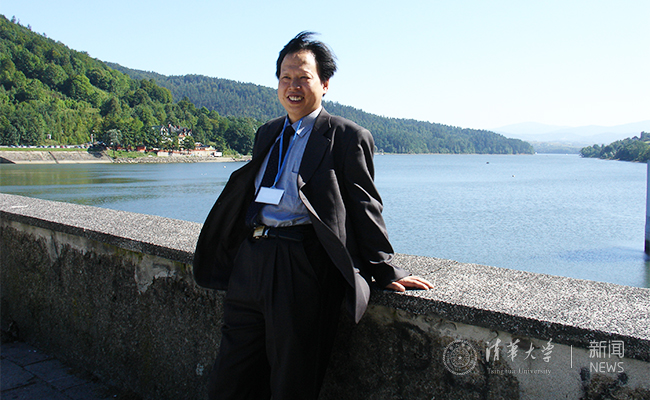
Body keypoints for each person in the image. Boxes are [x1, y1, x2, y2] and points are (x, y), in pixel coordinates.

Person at [193, 31, 433, 400]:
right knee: (230, 378)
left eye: (303, 78)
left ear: (324, 83)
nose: (293, 86)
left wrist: (384, 268)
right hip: (251, 262)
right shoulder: (268, 133)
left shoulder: (346, 136)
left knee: (292, 381)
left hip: (300, 265)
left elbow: (365, 205)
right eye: (285, 77)